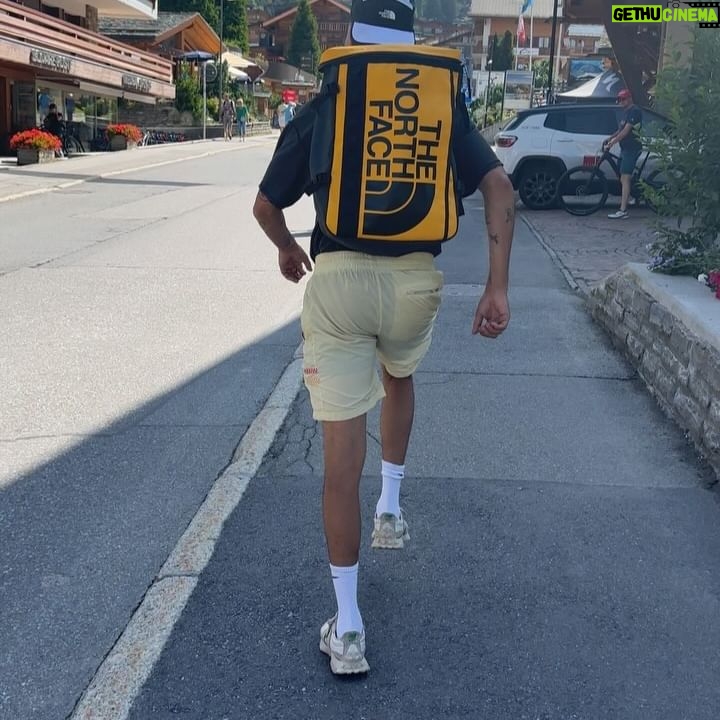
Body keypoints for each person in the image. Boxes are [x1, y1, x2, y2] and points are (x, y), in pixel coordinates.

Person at [253, 0, 514, 676]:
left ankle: (348, 628)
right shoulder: (438, 105)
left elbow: (265, 204)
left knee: (340, 463)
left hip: (340, 282)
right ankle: (391, 511)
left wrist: (287, 248)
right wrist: (496, 286)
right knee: (400, 375)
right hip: (414, 285)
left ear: (354, 38)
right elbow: (498, 187)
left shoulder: (328, 101)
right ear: (410, 40)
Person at [605, 88, 643, 219]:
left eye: (623, 99)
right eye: (619, 99)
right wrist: (610, 138)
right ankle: (633, 196)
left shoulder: (635, 111)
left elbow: (626, 131)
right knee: (622, 175)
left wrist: (612, 143)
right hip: (625, 148)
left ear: (630, 99)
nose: (621, 101)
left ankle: (623, 211)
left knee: (625, 177)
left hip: (632, 148)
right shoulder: (626, 112)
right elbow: (620, 129)